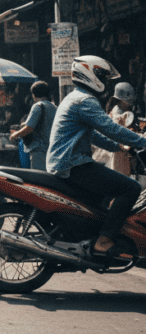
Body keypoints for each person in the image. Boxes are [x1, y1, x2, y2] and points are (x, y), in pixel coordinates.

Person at [46, 56, 146, 257]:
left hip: (67, 163)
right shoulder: (85, 100)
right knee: (131, 187)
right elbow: (110, 128)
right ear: (90, 74)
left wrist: (120, 147)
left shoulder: (75, 97)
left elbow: (93, 135)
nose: (107, 83)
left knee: (104, 197)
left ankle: (91, 237)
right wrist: (142, 141)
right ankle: (104, 239)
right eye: (103, 77)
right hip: (73, 164)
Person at [9, 81, 56, 171]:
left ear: (33, 94)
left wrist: (14, 135)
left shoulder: (38, 106)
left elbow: (29, 128)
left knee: (39, 179)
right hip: (51, 150)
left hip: (39, 151)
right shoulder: (54, 107)